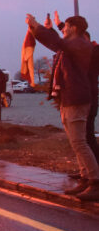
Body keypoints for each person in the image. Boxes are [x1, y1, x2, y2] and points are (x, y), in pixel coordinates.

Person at [28, 14, 99, 200]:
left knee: (80, 143)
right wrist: (44, 29)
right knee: (76, 143)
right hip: (69, 98)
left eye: (66, 26)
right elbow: (58, 42)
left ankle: (95, 181)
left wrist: (36, 27)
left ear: (74, 28)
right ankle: (85, 179)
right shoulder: (72, 44)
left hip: (77, 99)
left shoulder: (80, 44)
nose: (64, 29)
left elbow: (58, 43)